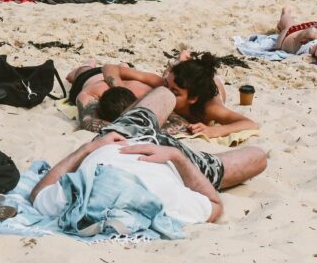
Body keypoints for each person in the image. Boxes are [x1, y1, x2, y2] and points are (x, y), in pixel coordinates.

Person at [30, 87, 268, 226]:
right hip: (168, 161)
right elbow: (216, 205)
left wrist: (87, 149)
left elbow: (38, 193)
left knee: (166, 92)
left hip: (120, 140)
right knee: (258, 156)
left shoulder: (76, 199)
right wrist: (177, 156)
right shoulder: (164, 200)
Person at [100, 53, 259, 139]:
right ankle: (182, 59)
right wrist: (118, 88)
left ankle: (183, 58)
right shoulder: (165, 85)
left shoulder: (209, 109)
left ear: (192, 99)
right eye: (167, 87)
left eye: (175, 92)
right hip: (186, 81)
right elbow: (110, 67)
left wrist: (214, 131)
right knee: (170, 75)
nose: (167, 93)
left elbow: (250, 124)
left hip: (211, 86)